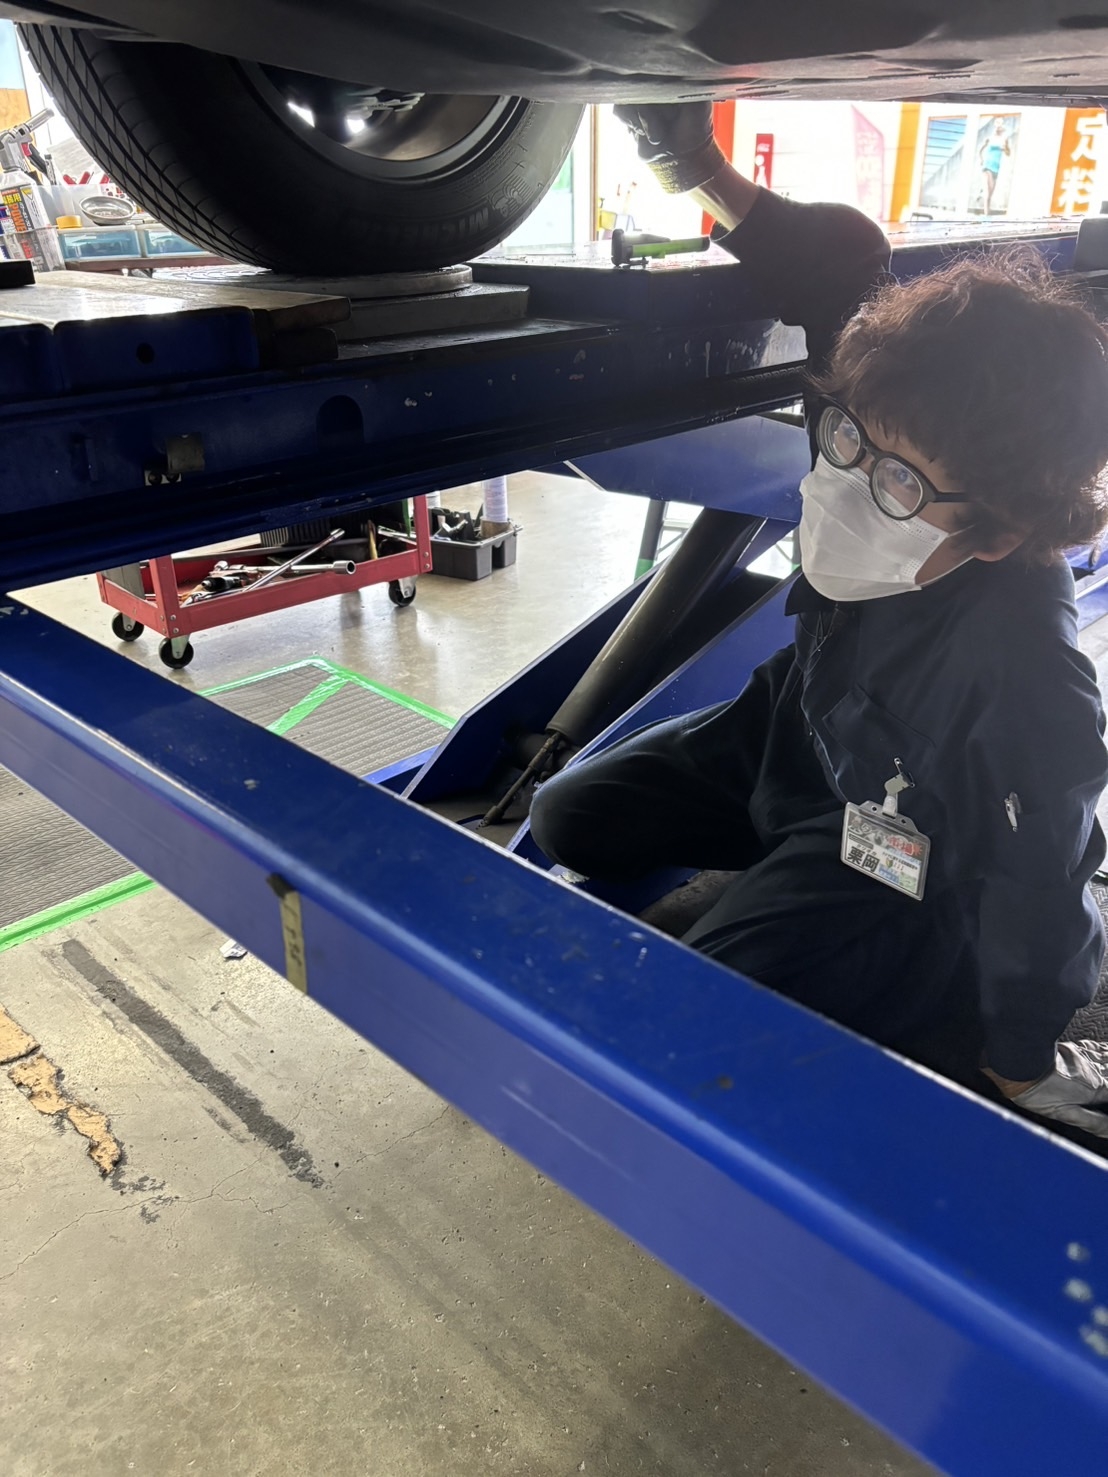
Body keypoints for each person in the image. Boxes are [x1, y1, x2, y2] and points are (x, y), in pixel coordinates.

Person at [530, 101, 1108, 1140]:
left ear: (999, 531)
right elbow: (836, 264)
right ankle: (777, 878)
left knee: (694, 1019)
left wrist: (1023, 1052)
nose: (847, 481)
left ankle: (908, 977)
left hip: (894, 842)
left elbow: (1048, 871)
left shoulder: (1022, 663)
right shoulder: (885, 404)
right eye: (846, 440)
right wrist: (693, 164)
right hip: (787, 733)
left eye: (895, 483)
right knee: (571, 817)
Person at [979, 118, 1011, 214]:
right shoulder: (989, 138)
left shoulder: (1004, 140)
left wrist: (1005, 148)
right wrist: (981, 160)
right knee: (988, 193)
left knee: (990, 194)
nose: (998, 128)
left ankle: (986, 213)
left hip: (996, 168)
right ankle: (986, 215)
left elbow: (1008, 153)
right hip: (987, 166)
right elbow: (980, 150)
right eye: (997, 126)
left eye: (1000, 127)